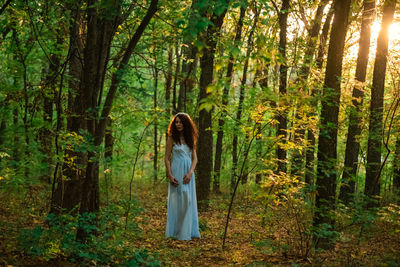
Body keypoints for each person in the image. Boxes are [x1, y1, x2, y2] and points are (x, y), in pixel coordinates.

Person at [164, 113, 200, 240]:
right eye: (176, 122)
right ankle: (176, 232)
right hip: (176, 171)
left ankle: (186, 232)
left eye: (180, 122)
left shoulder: (190, 138)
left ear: (186, 124)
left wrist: (190, 172)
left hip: (188, 173)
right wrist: (170, 174)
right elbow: (166, 158)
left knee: (188, 201)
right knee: (177, 201)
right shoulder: (172, 138)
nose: (178, 124)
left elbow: (195, 158)